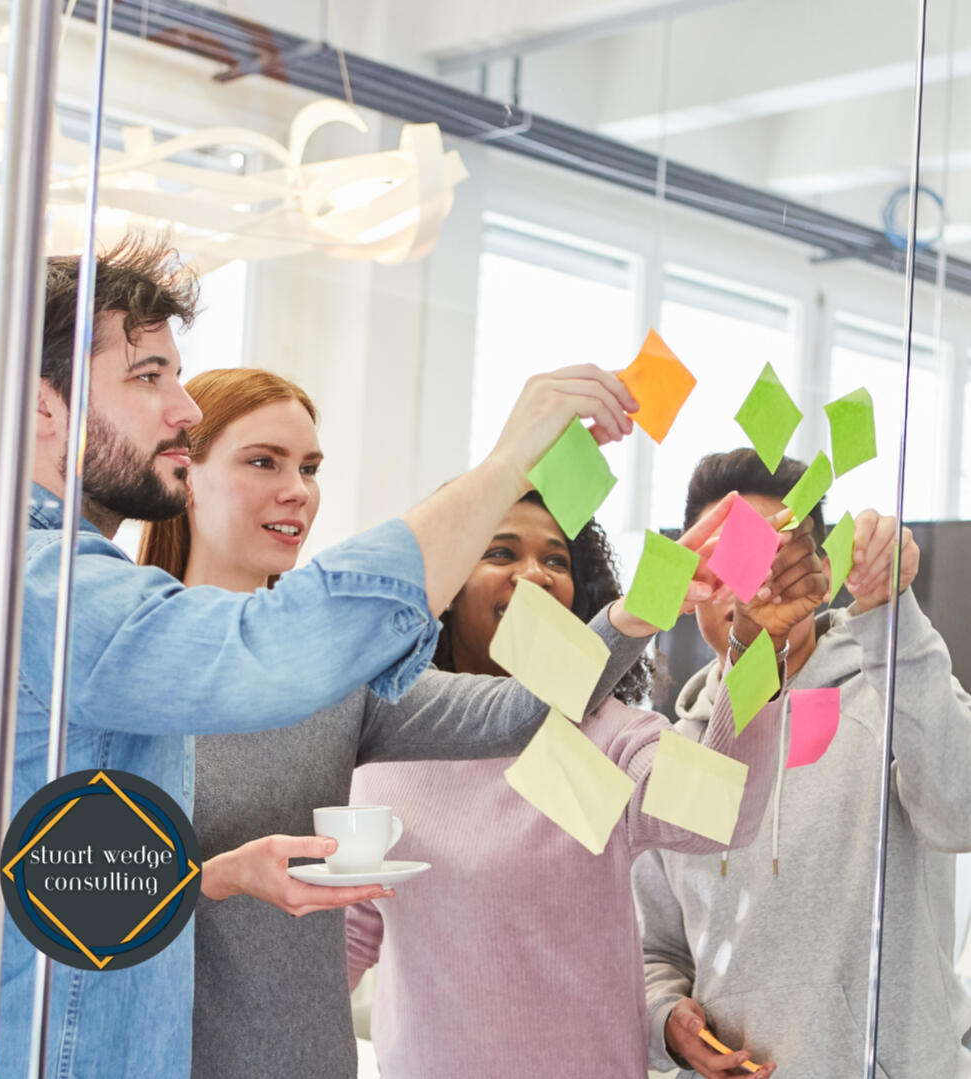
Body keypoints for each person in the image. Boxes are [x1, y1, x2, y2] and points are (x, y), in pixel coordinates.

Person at [0, 236, 640, 1078]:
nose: (181, 408)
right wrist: (506, 464)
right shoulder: (38, 589)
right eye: (147, 375)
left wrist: (205, 878)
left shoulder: (17, 588)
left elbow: (53, 884)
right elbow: (270, 648)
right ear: (38, 409)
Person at [137, 366, 667, 1078]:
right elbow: (57, 892)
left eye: (311, 467)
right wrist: (214, 877)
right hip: (157, 1057)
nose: (297, 489)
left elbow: (519, 709)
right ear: (185, 474)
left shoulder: (338, 673)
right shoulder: (128, 660)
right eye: (263, 461)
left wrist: (642, 606)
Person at [344, 483, 829, 1077]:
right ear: (443, 587)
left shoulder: (604, 736)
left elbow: (719, 814)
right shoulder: (385, 748)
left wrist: (758, 644)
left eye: (556, 560)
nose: (536, 575)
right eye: (500, 553)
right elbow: (346, 938)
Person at [632, 448, 971, 1078]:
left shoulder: (889, 687)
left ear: (821, 568)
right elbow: (657, 948)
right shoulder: (672, 752)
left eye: (773, 554)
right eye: (727, 560)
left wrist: (891, 615)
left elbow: (964, 811)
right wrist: (668, 1023)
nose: (755, 583)